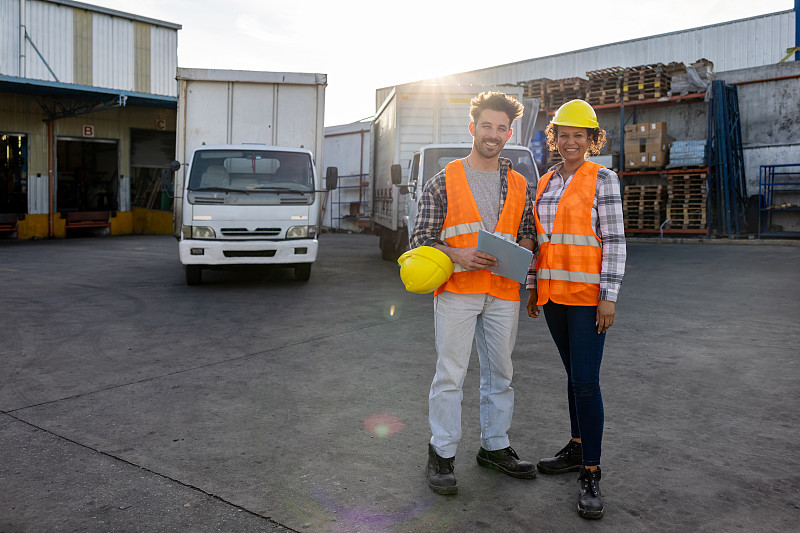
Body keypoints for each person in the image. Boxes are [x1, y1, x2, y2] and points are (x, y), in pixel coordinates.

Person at [410, 91, 538, 495]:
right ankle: (442, 454)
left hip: (502, 293)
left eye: (501, 128)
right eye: (487, 126)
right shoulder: (443, 180)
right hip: (458, 291)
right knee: (450, 374)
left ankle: (495, 448)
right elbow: (420, 239)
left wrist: (521, 252)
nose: (493, 134)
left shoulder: (519, 183)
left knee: (501, 375)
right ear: (472, 128)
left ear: (509, 133)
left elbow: (528, 233)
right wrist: (457, 253)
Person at [525, 99, 626, 519]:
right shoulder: (546, 181)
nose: (570, 142)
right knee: (573, 376)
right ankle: (577, 446)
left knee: (585, 382)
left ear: (591, 140)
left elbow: (614, 240)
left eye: (578, 136)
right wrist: (532, 286)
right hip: (553, 296)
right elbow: (540, 240)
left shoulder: (603, 179)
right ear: (555, 138)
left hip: (587, 299)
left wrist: (609, 295)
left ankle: (591, 472)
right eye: (563, 134)